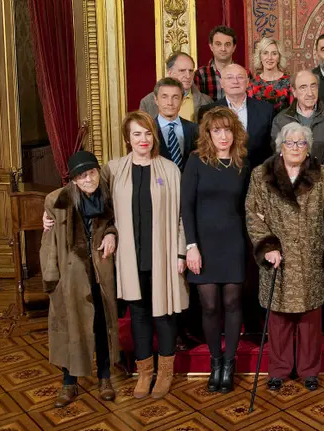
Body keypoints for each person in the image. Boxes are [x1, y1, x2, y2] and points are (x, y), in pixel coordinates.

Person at [246, 122, 324, 392]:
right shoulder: (261, 174)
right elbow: (252, 215)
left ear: (308, 147)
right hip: (277, 258)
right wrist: (268, 246)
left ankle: (309, 371)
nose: (296, 147)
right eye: (290, 142)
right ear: (281, 146)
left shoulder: (322, 175)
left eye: (301, 143)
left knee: (310, 320)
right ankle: (278, 369)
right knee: (278, 319)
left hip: (310, 258)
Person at [108, 111, 188, 399]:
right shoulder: (114, 169)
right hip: (131, 255)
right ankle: (144, 374)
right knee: (138, 315)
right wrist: (50, 209)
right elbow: (87, 194)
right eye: (136, 134)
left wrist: (180, 253)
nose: (142, 139)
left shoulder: (169, 170)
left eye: (146, 133)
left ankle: (165, 374)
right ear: (127, 139)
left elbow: (181, 216)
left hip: (163, 254)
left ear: (154, 135)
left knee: (164, 314)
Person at [41, 151, 119, 407]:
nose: (88, 179)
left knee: (101, 324)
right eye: (82, 176)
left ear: (99, 171)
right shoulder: (57, 201)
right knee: (70, 326)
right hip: (71, 276)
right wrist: (52, 278)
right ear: (73, 180)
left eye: (92, 172)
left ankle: (105, 377)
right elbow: (49, 243)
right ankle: (69, 381)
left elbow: (116, 224)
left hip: (99, 271)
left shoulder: (109, 196)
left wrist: (110, 233)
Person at [181, 107, 251, 394]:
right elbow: (186, 205)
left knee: (233, 304)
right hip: (203, 244)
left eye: (227, 130)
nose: (223, 135)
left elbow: (249, 206)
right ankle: (215, 361)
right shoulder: (196, 161)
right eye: (217, 130)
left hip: (234, 241)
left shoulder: (243, 163)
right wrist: (191, 246)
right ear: (208, 134)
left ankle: (229, 364)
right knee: (209, 305)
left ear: (235, 132)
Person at [271, 70, 324, 180]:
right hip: (294, 184)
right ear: (294, 91)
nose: (310, 93)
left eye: (313, 86)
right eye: (303, 87)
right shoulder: (280, 120)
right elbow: (278, 154)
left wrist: (321, 177)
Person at [198, 64, 275, 168]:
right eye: (229, 77)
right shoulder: (208, 111)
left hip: (257, 173)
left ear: (247, 82)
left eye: (240, 77)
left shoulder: (266, 110)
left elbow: (271, 148)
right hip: (220, 171)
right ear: (221, 83)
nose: (235, 81)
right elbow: (204, 146)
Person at [139, 52, 212, 122]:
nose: (188, 76)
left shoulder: (206, 101)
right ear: (170, 73)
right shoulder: (147, 102)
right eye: (182, 71)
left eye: (191, 71)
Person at [194, 25, 254, 101]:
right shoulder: (201, 74)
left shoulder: (245, 73)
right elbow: (197, 104)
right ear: (211, 46)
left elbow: (250, 101)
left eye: (227, 44)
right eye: (218, 44)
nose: (223, 49)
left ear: (234, 47)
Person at [152, 77, 200, 171]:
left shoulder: (195, 129)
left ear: (182, 100)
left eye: (175, 97)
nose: (170, 103)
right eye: (164, 97)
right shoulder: (147, 130)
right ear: (156, 100)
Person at [249, 37, 293, 114]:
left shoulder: (290, 82)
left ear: (279, 57)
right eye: (265, 53)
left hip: (284, 125)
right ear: (260, 57)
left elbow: (294, 111)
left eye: (274, 53)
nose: (269, 58)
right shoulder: (252, 84)